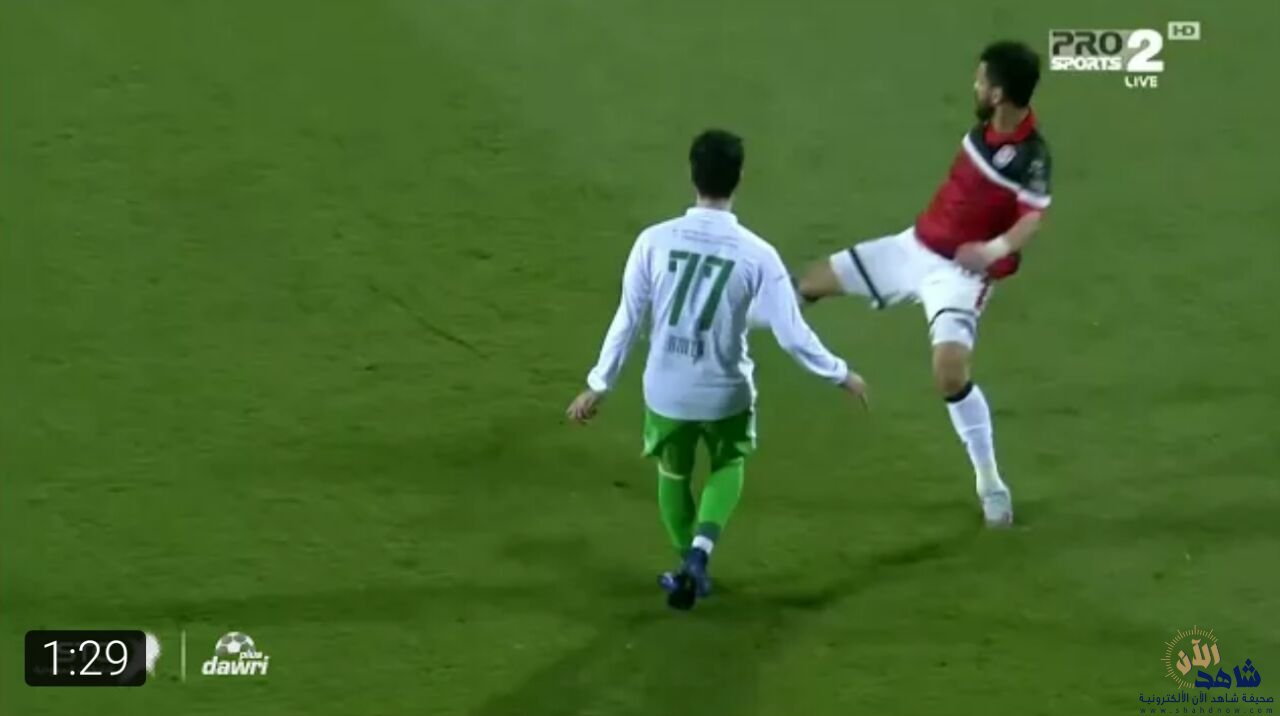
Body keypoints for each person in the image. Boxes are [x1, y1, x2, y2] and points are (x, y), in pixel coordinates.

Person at [566, 129, 868, 610]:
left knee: (673, 474)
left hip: (667, 391)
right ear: (739, 178)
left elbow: (628, 319)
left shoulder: (652, 241)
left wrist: (597, 385)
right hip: (725, 392)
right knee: (728, 463)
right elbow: (792, 335)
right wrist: (840, 373)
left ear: (692, 175)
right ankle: (700, 556)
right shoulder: (757, 254)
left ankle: (688, 565)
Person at [789, 41, 1051, 527]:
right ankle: (724, 330)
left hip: (959, 274)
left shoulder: (1031, 157)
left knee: (949, 373)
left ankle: (990, 482)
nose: (974, 85)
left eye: (982, 81)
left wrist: (992, 252)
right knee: (809, 284)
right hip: (912, 248)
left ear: (998, 94)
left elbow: (1031, 219)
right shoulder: (984, 132)